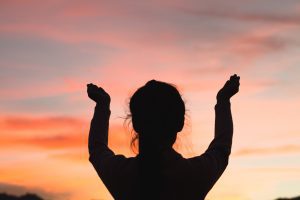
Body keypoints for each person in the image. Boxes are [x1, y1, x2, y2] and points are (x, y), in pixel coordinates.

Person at [87, 74, 240, 200]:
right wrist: (223, 102)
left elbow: (97, 149)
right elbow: (221, 149)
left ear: (136, 124)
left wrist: (102, 106)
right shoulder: (193, 175)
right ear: (179, 123)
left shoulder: (122, 174)